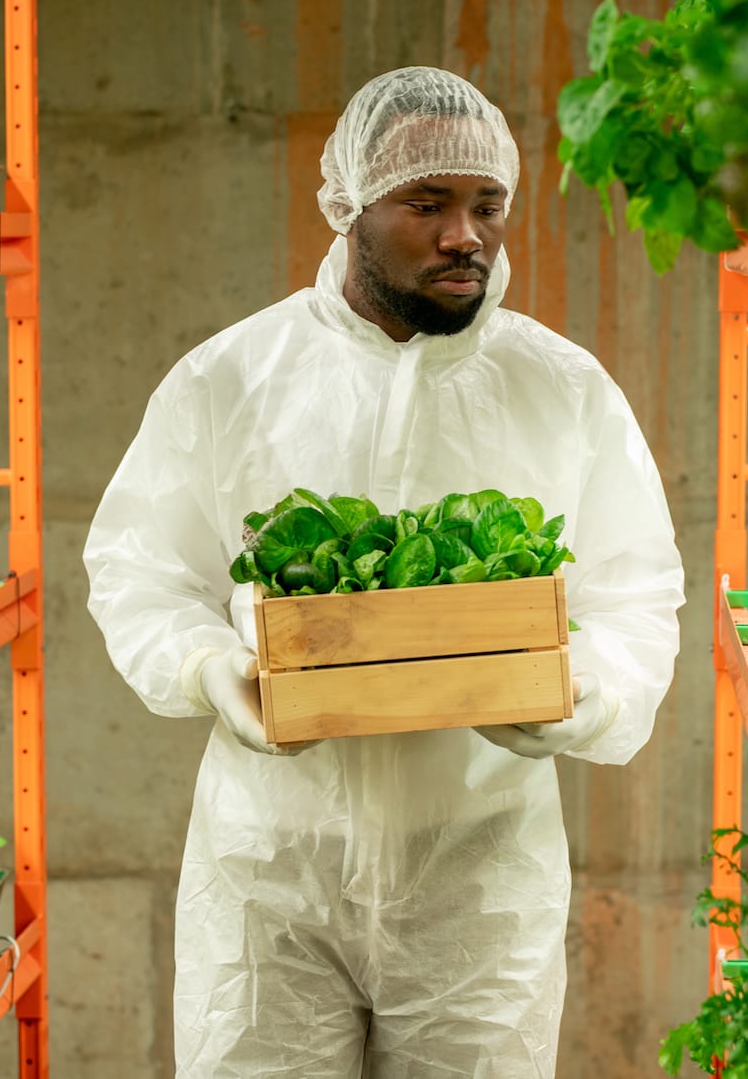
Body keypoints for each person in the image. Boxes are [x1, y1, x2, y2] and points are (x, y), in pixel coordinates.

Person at [84, 66, 685, 1077]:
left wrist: (581, 690)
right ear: (348, 208)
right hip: (268, 870)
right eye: (427, 203)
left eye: (486, 205)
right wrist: (205, 671)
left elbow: (634, 592)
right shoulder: (234, 376)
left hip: (477, 874)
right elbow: (139, 568)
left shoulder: (560, 388)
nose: (466, 236)